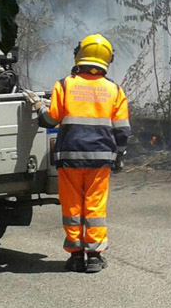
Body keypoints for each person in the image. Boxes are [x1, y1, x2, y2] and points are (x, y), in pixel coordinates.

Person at [24, 34, 130, 273]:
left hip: (69, 158)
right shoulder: (114, 90)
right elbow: (122, 130)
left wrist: (39, 106)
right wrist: (119, 155)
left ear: (79, 55)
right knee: (94, 206)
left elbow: (50, 119)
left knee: (72, 206)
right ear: (107, 60)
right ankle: (94, 257)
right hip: (101, 158)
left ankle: (75, 256)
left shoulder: (65, 85)